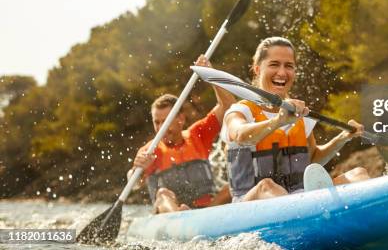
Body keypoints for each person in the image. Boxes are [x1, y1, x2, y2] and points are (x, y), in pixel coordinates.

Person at [222, 36, 370, 202]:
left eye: (289, 66)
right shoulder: (240, 111)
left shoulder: (300, 114)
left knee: (359, 175)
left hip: (299, 199)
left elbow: (313, 158)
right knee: (267, 186)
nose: (282, 72)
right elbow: (241, 135)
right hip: (251, 203)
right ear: (257, 69)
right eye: (274, 64)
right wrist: (278, 121)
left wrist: (343, 138)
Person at [128, 55, 235, 213]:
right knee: (163, 194)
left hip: (206, 211)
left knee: (232, 186)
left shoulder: (198, 135)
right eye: (156, 122)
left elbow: (229, 106)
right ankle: (180, 215)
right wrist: (136, 170)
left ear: (181, 119)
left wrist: (211, 74)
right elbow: (134, 183)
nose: (160, 128)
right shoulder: (151, 150)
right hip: (171, 214)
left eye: (165, 121)